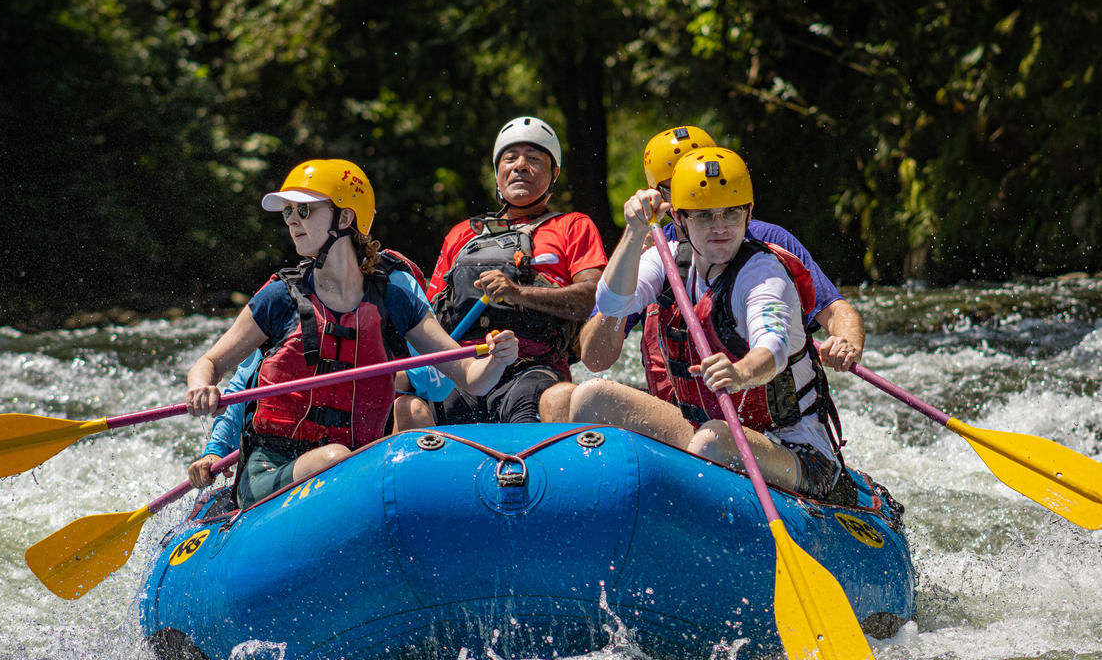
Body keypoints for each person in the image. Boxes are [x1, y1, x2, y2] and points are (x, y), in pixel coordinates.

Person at [186, 159, 518, 507]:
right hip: (272, 467)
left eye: (304, 210)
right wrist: (200, 387)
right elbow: (210, 363)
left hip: (357, 465)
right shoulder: (280, 298)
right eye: (287, 212)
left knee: (362, 454)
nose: (292, 221)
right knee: (333, 458)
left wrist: (497, 358)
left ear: (345, 218)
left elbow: (471, 379)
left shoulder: (393, 300)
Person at [566, 148, 845, 500]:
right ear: (680, 219)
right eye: (704, 216)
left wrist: (741, 372)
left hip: (796, 453)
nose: (720, 228)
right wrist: (635, 233)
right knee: (592, 398)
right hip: (707, 431)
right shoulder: (667, 260)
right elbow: (612, 304)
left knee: (712, 441)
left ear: (749, 213)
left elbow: (772, 347)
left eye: (731, 213)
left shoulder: (763, 274)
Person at [539, 126, 865, 421]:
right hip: (679, 410)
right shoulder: (653, 254)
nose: (698, 198)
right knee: (560, 398)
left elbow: (834, 311)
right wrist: (631, 243)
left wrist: (846, 342)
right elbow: (596, 358)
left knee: (596, 398)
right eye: (675, 190)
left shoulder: (768, 245)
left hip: (754, 419)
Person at [424, 117, 607, 424]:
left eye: (533, 159)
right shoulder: (462, 234)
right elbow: (427, 316)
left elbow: (593, 298)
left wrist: (517, 293)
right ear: (497, 173)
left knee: (544, 402)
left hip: (534, 368)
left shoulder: (573, 226)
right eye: (510, 159)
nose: (520, 166)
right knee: (411, 407)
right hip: (463, 371)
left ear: (554, 173)